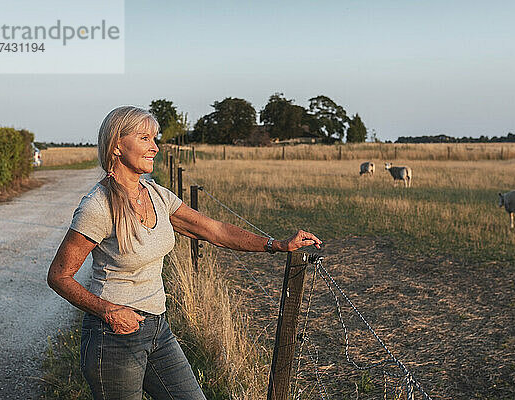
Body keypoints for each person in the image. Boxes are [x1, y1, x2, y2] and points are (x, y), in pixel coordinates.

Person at [47, 105, 322, 400]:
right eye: (145, 139)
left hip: (158, 329)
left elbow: (214, 230)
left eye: (155, 139)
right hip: (114, 337)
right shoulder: (98, 206)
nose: (154, 147)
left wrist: (276, 245)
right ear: (117, 145)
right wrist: (109, 311)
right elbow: (59, 276)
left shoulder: (157, 195)